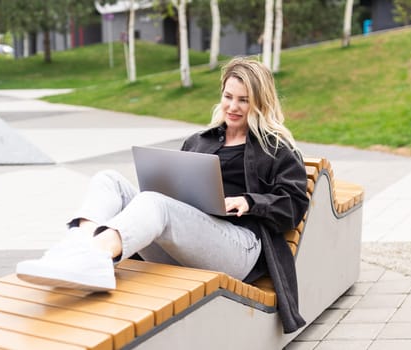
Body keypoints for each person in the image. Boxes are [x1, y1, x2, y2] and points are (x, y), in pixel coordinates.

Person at [16, 57, 309, 333]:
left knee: (154, 203)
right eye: (228, 96)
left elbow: (294, 205)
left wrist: (250, 201)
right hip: (185, 243)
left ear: (260, 102)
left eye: (243, 100)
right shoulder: (200, 140)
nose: (233, 106)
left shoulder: (276, 148)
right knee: (109, 180)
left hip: (239, 248)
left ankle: (92, 257)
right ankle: (79, 249)